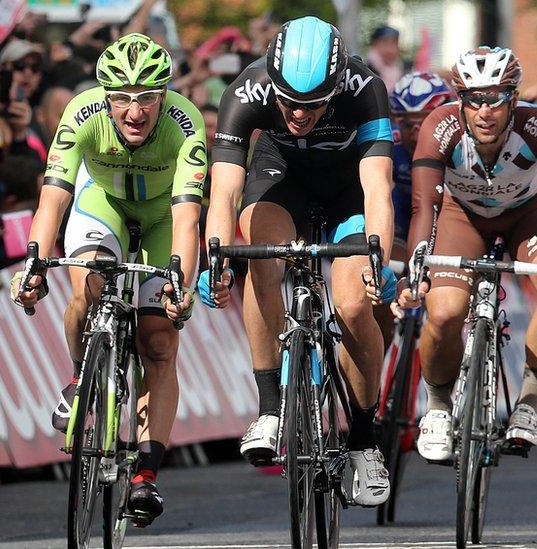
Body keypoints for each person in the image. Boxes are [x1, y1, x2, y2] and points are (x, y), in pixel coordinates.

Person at [11, 33, 206, 526]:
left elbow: (186, 219)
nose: (135, 111)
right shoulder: (80, 113)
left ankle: (145, 476)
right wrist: (33, 260)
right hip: (103, 205)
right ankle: (81, 377)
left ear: (163, 95)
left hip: (164, 216)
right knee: (88, 282)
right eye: (122, 98)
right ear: (105, 96)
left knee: (158, 341)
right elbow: (53, 197)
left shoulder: (186, 124)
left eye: (146, 98)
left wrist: (179, 281)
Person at [203, 16, 394, 507]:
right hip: (280, 177)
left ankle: (365, 438)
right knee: (261, 262)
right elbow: (223, 191)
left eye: (312, 106)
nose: (298, 115)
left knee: (353, 305)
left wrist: (380, 260)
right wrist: (216, 259)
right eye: (288, 103)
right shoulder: (246, 91)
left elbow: (377, 189)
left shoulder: (364, 87)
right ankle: (269, 409)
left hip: (348, 189)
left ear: (335, 86)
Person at [396, 47, 537, 459]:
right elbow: (423, 204)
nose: (485, 110)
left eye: (496, 97)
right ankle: (439, 407)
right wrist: (419, 263)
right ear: (460, 100)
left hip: (528, 213)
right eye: (474, 99)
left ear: (513, 98)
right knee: (445, 311)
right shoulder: (440, 125)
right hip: (459, 216)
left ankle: (527, 405)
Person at [374, 71, 454, 344]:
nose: (416, 132)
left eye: (426, 122)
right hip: (405, 214)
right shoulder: (392, 142)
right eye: (407, 123)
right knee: (382, 288)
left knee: (444, 305)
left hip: (445, 220)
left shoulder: (456, 142)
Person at [366, 25, 403, 94]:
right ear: (374, 44)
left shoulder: (401, 73)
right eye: (385, 43)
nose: (391, 49)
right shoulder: (365, 73)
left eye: (394, 43)